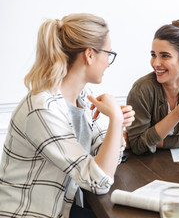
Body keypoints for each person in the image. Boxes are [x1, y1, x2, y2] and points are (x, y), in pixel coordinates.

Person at [0, 13, 135, 217]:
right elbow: (99, 181)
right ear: (89, 55)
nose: (108, 62)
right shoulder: (43, 109)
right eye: (108, 53)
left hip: (65, 205)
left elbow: (102, 154)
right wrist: (115, 121)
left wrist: (118, 126)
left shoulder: (83, 95)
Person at [126, 20, 179, 155]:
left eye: (165, 56)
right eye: (153, 55)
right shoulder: (142, 90)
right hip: (144, 166)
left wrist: (152, 142)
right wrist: (177, 114)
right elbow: (138, 145)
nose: (156, 63)